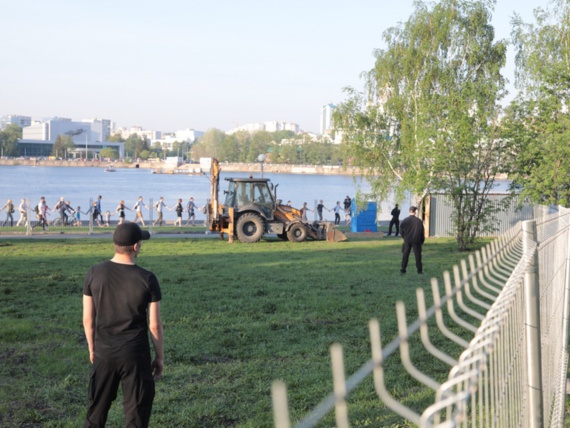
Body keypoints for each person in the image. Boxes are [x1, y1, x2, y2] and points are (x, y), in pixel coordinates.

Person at [82, 222, 164, 427]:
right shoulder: (147, 278)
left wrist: (93, 348)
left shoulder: (94, 273)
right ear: (135, 247)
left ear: (115, 244)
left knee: (96, 412)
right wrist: (159, 357)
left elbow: (88, 319)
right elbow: (154, 325)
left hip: (104, 353)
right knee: (136, 415)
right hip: (136, 355)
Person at [399, 206, 425, 274]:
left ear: (409, 211)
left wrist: (404, 237)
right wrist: (422, 241)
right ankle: (419, 270)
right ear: (415, 212)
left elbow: (401, 231)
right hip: (416, 240)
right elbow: (422, 232)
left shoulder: (405, 220)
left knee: (405, 255)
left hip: (407, 240)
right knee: (418, 256)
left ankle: (403, 269)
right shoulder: (419, 221)